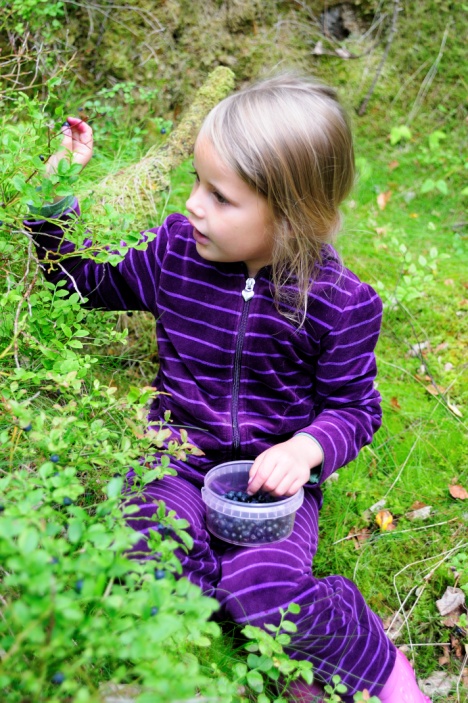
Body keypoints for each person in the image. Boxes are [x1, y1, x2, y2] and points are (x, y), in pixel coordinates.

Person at [25, 75, 430, 703]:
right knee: (140, 547)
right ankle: (235, 613)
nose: (192, 205)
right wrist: (53, 195)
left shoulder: (339, 303)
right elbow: (82, 281)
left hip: (270, 491)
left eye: (219, 196)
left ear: (291, 214)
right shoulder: (172, 254)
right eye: (196, 183)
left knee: (266, 586)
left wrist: (305, 450)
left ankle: (381, 672)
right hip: (176, 462)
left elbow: (355, 408)